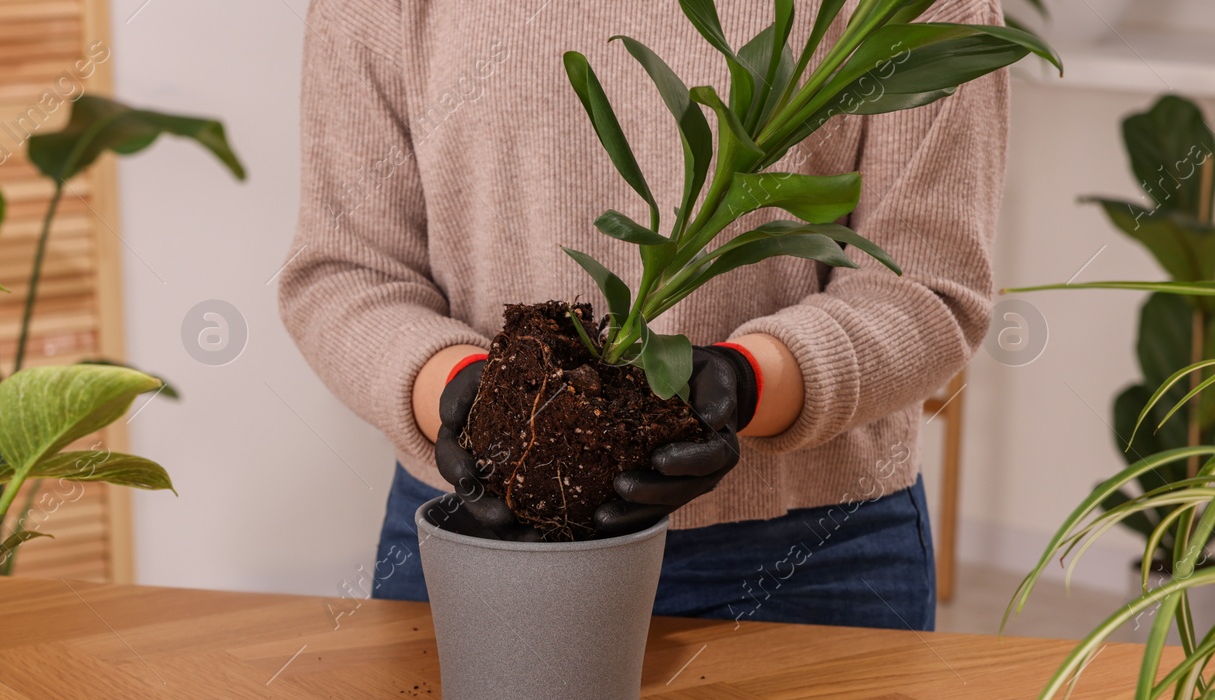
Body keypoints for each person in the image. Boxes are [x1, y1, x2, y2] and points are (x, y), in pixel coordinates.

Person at [278, 1, 1008, 632]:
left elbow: (927, 288)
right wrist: (471, 393)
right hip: (478, 536)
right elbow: (346, 271)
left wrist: (749, 383)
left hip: (809, 558)